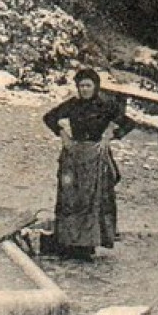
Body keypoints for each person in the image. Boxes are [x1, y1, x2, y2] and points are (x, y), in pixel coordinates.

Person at [42, 68, 134, 260]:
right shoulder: (73, 105)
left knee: (91, 201)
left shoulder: (105, 105)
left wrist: (110, 135)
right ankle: (68, 241)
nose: (84, 89)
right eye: (81, 85)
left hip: (95, 157)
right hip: (74, 156)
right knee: (70, 198)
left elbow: (128, 123)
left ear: (95, 87)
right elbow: (49, 117)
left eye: (88, 85)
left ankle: (87, 243)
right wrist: (62, 134)